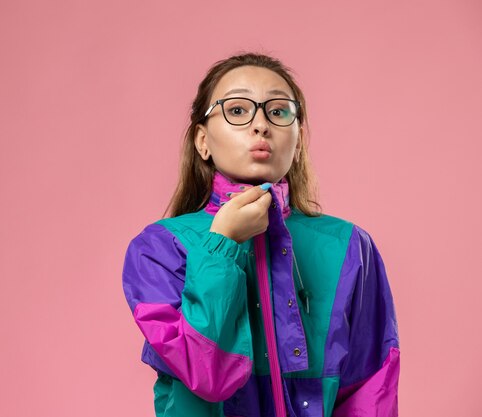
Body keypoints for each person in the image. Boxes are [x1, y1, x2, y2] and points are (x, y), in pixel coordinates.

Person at [122, 53, 400, 417]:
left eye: (278, 111)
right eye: (237, 110)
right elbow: (205, 375)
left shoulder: (349, 246)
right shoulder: (158, 249)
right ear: (202, 141)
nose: (261, 125)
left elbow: (370, 387)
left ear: (297, 141)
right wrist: (222, 244)